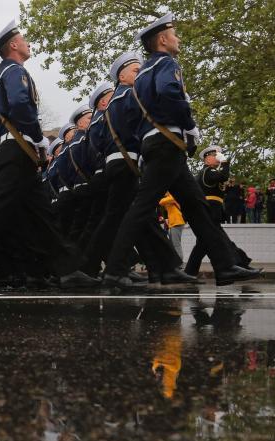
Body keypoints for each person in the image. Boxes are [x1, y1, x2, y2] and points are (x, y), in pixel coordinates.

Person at [101, 13, 259, 287]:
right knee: (142, 208)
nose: (179, 38)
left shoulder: (141, 77)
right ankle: (114, 269)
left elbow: (131, 118)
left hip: (158, 145)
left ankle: (225, 266)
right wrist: (189, 126)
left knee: (197, 208)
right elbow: (170, 93)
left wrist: (148, 136)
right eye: (175, 33)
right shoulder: (166, 64)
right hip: (167, 145)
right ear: (162, 40)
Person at [0, 20, 98, 290]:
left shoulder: (2, 77)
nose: (28, 43)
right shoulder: (14, 71)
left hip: (15, 150)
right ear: (13, 45)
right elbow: (19, 104)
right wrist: (36, 135)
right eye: (24, 39)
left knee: (41, 214)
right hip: (17, 149)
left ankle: (65, 269)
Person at [184, 145, 253, 276]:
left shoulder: (212, 172)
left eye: (218, 155)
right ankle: (241, 264)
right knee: (220, 240)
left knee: (204, 244)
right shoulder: (207, 172)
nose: (217, 158)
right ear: (207, 159)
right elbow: (224, 176)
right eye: (215, 155)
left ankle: (189, 273)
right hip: (209, 211)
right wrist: (225, 162)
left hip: (211, 211)